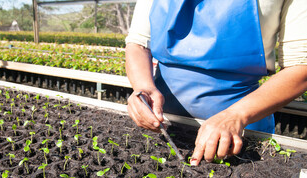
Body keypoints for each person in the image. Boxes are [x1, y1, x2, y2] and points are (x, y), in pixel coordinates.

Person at [125, 0, 307, 166]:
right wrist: (144, 87)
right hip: (164, 123)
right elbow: (138, 44)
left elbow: (301, 66)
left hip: (241, 128)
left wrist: (236, 115)